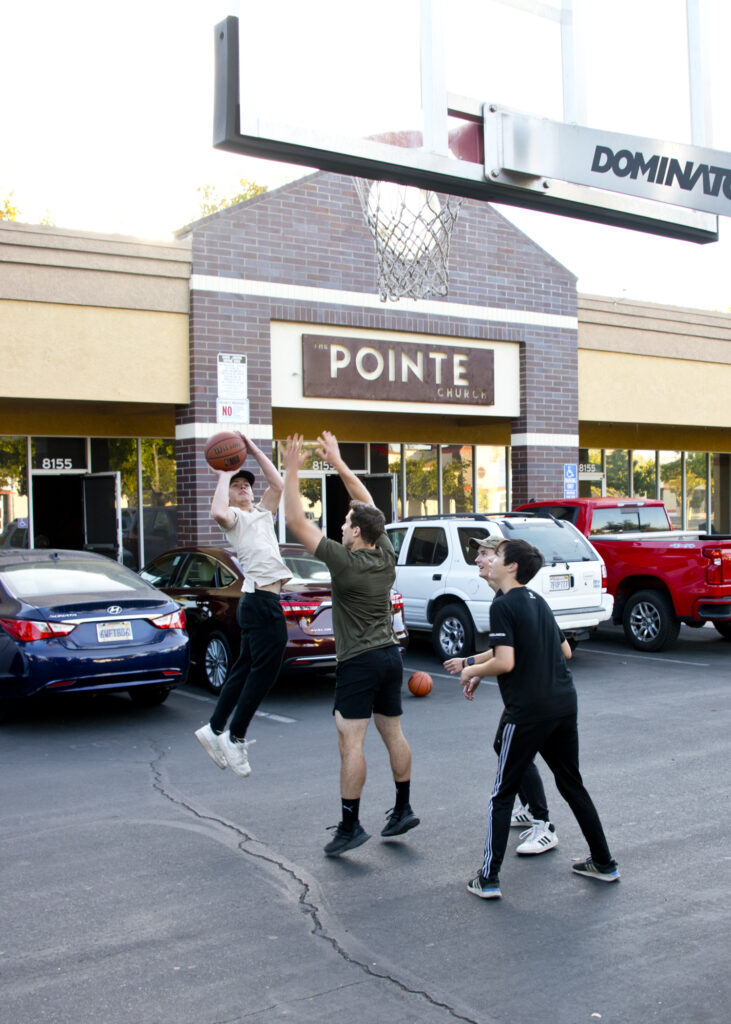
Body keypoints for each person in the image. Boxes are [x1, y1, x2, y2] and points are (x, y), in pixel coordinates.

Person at [282, 430, 419, 857]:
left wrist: (291, 470)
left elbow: (296, 523)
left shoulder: (344, 561)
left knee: (351, 743)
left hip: (359, 662)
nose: (340, 528)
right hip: (390, 656)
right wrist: (338, 463)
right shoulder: (385, 551)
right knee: (393, 732)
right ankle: (403, 808)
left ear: (356, 533)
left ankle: (349, 825)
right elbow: (368, 504)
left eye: (345, 524)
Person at [460, 538, 619, 899]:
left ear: (512, 566)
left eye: (497, 555)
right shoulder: (538, 601)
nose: (488, 560)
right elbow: (565, 650)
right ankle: (604, 863)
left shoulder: (503, 605)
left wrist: (472, 670)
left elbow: (505, 661)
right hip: (563, 704)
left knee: (502, 794)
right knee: (572, 784)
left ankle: (488, 879)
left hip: (528, 712)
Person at [444, 534, 572, 856]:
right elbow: (505, 650)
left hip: (534, 699)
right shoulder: (510, 599)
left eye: (486, 553)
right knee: (505, 746)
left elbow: (511, 657)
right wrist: (475, 665)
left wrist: (472, 667)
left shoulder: (511, 600)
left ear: (506, 563)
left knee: (516, 761)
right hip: (540, 696)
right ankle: (533, 811)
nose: (479, 560)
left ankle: (542, 823)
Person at [194, 433, 290, 778]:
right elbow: (217, 510)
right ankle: (235, 737)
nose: (244, 487)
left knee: (243, 669)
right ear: (230, 495)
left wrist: (252, 450)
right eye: (237, 486)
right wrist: (224, 472)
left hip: (258, 601)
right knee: (264, 672)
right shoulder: (234, 518)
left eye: (246, 484)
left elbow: (278, 484)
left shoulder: (262, 513)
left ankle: (214, 728)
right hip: (262, 602)